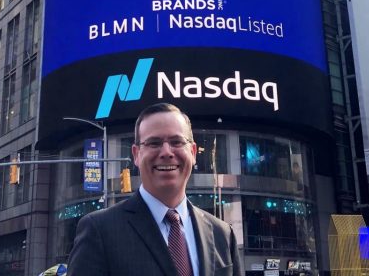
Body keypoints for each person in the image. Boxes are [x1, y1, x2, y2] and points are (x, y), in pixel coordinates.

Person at [67, 103, 243, 275]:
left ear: (193, 152)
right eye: (154, 143)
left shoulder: (223, 234)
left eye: (177, 142)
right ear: (136, 154)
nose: (166, 152)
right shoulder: (99, 230)